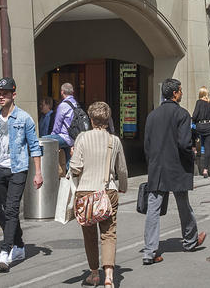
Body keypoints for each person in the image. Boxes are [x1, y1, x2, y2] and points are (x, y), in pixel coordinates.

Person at [0, 77, 44, 273]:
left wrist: (38, 173)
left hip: (18, 169)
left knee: (11, 210)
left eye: (6, 93)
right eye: (0, 93)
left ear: (13, 95)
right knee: (2, 209)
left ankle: (5, 251)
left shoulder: (24, 118)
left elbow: (34, 146)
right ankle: (19, 245)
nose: (1, 96)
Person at [141, 78, 205, 265]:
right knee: (183, 204)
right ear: (175, 93)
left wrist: (151, 163)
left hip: (157, 167)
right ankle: (190, 240)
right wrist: (191, 156)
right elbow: (184, 143)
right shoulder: (182, 114)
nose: (182, 93)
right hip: (177, 166)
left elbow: (147, 145)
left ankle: (149, 251)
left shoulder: (152, 116)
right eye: (181, 90)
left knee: (153, 208)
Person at [70, 101, 128, 287]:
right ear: (108, 118)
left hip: (86, 191)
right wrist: (123, 186)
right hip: (107, 190)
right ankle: (109, 276)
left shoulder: (82, 138)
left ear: (91, 119)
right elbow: (122, 170)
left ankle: (94, 274)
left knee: (89, 234)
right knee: (109, 232)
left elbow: (75, 168)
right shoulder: (114, 141)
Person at [51, 83, 92, 175]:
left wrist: (52, 139)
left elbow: (57, 126)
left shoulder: (63, 105)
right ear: (73, 92)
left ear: (62, 92)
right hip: (75, 138)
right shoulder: (76, 104)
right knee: (69, 162)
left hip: (66, 137)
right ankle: (72, 178)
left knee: (44, 140)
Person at [192, 86, 210, 179]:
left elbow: (194, 116)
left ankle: (194, 150)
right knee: (208, 149)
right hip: (208, 127)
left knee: (193, 139)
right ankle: (206, 169)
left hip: (200, 127)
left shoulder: (198, 102)